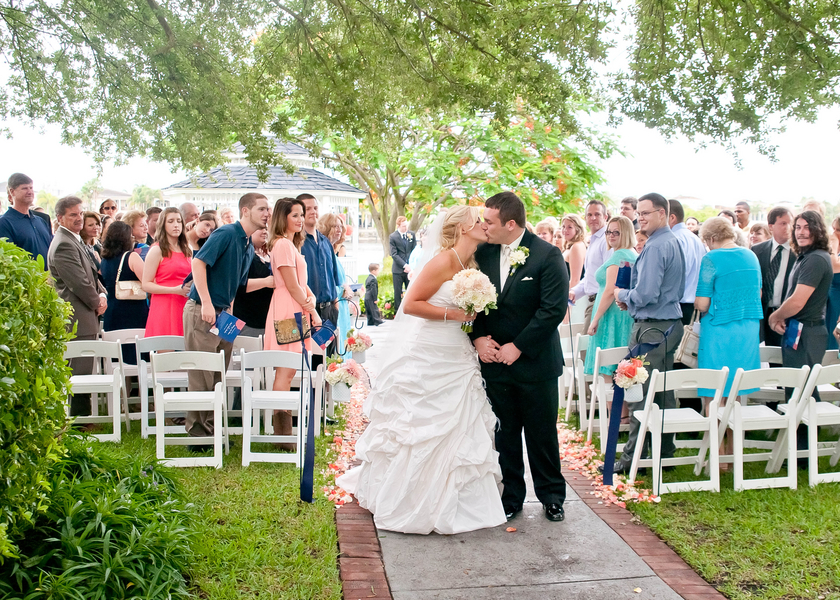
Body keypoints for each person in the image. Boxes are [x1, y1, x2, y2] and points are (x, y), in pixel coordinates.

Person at [337, 205, 506, 534]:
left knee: (461, 424)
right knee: (418, 424)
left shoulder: (471, 262)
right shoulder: (442, 260)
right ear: (461, 228)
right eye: (478, 222)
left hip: (457, 354)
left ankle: (459, 502)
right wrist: (453, 315)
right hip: (429, 351)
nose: (485, 226)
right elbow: (411, 304)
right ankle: (408, 498)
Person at [472, 192, 569, 524]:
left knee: (542, 433)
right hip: (495, 360)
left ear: (510, 224)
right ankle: (511, 496)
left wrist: (520, 346)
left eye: (489, 221)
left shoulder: (548, 255)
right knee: (506, 433)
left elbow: (552, 310)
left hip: (536, 362)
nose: (483, 226)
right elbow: (472, 304)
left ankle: (552, 496)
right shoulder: (482, 254)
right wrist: (478, 337)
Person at [183, 193, 270, 446]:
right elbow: (198, 263)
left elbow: (238, 284)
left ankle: (213, 430)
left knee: (219, 372)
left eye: (269, 210)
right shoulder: (226, 234)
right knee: (203, 372)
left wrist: (229, 310)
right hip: (203, 310)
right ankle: (198, 435)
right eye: (262, 209)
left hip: (225, 316)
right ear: (245, 210)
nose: (267, 214)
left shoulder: (246, 243)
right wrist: (208, 304)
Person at [611, 193, 685, 475]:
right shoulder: (671, 241)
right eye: (638, 214)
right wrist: (630, 298)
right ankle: (664, 452)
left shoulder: (656, 246)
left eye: (646, 213)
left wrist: (622, 294)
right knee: (663, 391)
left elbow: (647, 294)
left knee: (640, 390)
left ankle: (633, 458)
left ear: (663, 214)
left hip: (653, 326)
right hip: (668, 323)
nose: (640, 218)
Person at [768, 210, 833, 462]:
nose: (802, 231)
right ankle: (800, 451)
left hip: (807, 332)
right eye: (798, 226)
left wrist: (775, 316)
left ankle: (804, 456)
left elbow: (797, 301)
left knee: (803, 392)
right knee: (797, 391)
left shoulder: (816, 259)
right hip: (799, 329)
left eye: (808, 227)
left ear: (818, 230)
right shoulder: (806, 257)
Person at [265, 198, 321, 449]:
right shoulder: (283, 245)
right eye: (295, 215)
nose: (300, 219)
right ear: (283, 217)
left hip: (296, 306)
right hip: (289, 310)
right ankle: (283, 435)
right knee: (286, 370)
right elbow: (290, 283)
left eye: (302, 215)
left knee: (290, 369)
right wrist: (310, 307)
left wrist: (312, 299)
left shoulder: (290, 245)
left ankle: (284, 432)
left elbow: (301, 282)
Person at [48, 196, 107, 416]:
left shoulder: (75, 239)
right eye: (73, 214)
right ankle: (79, 422)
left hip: (87, 313)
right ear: (60, 217)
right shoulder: (63, 243)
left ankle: (82, 418)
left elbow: (91, 274)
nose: (79, 218)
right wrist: (97, 302)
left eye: (81, 213)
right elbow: (78, 283)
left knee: (84, 369)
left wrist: (103, 294)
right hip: (77, 317)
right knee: (79, 371)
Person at [695, 217, 762, 403]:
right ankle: (734, 432)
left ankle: (714, 431)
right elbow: (759, 293)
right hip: (748, 328)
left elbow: (702, 304)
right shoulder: (751, 256)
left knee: (714, 389)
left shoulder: (711, 258)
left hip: (719, 330)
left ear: (712, 238)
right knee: (736, 388)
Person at [584, 216, 638, 385]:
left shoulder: (620, 255)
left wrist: (595, 319)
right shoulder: (632, 254)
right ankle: (618, 411)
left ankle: (612, 411)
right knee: (621, 373)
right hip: (621, 312)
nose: (611, 236)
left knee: (610, 371)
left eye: (616, 232)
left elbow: (609, 291)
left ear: (627, 233)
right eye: (609, 232)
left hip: (611, 315)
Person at [142, 207, 192, 337]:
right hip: (164, 305)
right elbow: (146, 284)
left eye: (178, 221)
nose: (176, 225)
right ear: (163, 224)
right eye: (170, 221)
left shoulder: (188, 249)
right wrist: (174, 290)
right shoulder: (156, 250)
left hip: (186, 304)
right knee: (166, 352)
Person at [751, 207, 794, 347]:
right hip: (763, 314)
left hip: (787, 316)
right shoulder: (757, 250)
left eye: (791, 223)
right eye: (783, 223)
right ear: (771, 226)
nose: (788, 227)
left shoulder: (799, 252)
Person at [299, 194, 340, 336]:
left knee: (331, 357)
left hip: (329, 312)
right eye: (308, 208)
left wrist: (336, 307)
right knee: (312, 357)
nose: (313, 211)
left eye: (315, 208)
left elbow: (332, 276)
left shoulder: (325, 242)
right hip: (308, 312)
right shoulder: (297, 243)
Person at [100, 222, 148, 335]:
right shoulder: (131, 256)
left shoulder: (105, 259)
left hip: (111, 309)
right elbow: (147, 280)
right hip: (132, 310)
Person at [570, 200, 610, 331]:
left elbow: (609, 277)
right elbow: (590, 277)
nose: (593, 218)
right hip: (591, 301)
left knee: (586, 349)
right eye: (589, 214)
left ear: (605, 217)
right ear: (585, 218)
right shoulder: (593, 240)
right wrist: (574, 291)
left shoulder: (606, 241)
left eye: (597, 214)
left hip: (601, 303)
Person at [0, 173, 53, 268]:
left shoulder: (41, 221)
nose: (30, 192)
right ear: (12, 192)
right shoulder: (4, 223)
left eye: (31, 188)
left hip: (50, 280)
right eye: (24, 188)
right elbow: (9, 261)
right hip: (28, 281)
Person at [231, 228, 274, 338]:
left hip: (266, 321)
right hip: (247, 321)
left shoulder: (270, 255)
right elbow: (237, 285)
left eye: (266, 228)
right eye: (260, 229)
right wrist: (265, 282)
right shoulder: (243, 254)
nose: (264, 232)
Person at [669, 199, 707, 325]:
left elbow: (674, 276)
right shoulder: (695, 239)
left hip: (677, 306)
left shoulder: (674, 239)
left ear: (671, 217)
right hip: (693, 306)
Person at [318, 212, 354, 344]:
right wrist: (342, 290)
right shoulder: (322, 249)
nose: (339, 230)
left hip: (341, 304)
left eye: (340, 226)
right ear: (326, 227)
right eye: (335, 226)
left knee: (343, 338)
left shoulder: (332, 251)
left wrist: (346, 288)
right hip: (332, 304)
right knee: (331, 342)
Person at [389, 216, 416, 311]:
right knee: (397, 292)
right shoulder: (393, 237)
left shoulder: (411, 234)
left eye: (406, 225)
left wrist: (411, 266)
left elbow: (414, 251)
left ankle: (411, 311)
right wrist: (405, 265)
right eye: (404, 226)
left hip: (410, 269)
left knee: (411, 291)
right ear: (398, 225)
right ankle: (398, 312)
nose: (406, 228)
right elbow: (394, 254)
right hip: (398, 269)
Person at [560, 214, 586, 290]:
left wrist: (568, 299)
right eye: (563, 226)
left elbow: (575, 279)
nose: (565, 230)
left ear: (578, 229)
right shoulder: (571, 246)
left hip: (572, 293)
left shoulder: (576, 246)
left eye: (570, 227)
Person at [826, 215, 840, 350]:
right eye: (834, 229)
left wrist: (834, 245)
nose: (834, 233)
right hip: (830, 301)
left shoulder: (834, 253)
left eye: (839, 230)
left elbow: (834, 266)